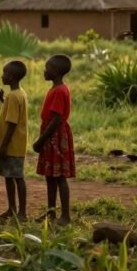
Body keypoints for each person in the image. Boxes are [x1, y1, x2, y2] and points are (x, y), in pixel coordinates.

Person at [33, 54, 75, 226]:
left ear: (55, 72)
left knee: (59, 177)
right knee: (51, 176)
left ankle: (65, 216)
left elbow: (56, 119)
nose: (44, 70)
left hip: (55, 135)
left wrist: (41, 140)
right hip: (52, 135)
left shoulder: (59, 91)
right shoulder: (56, 88)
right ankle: (51, 212)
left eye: (47, 67)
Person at [0, 60, 29, 221]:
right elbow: (11, 113)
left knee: (17, 177)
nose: (2, 76)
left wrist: (4, 145)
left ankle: (21, 212)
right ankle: (12, 209)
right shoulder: (18, 93)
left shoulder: (14, 96)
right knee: (9, 177)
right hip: (15, 144)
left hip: (12, 145)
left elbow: (12, 123)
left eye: (4, 73)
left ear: (12, 76)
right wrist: (2, 99)